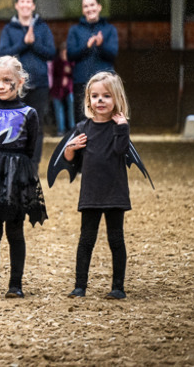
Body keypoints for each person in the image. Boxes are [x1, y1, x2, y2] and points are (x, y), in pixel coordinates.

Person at [0, 56, 48, 300]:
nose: (0, 85)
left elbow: (30, 149)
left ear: (19, 82)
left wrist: (19, 173)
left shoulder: (29, 113)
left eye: (6, 81)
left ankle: (15, 285)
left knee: (15, 232)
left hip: (16, 179)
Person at [60, 71, 134, 299]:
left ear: (117, 99)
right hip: (91, 192)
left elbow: (122, 151)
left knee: (116, 239)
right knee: (86, 239)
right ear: (88, 100)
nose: (100, 100)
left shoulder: (119, 127)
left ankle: (118, 287)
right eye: (95, 96)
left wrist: (122, 128)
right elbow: (74, 162)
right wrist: (69, 150)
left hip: (115, 192)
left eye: (106, 96)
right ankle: (80, 286)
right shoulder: (83, 128)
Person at [0, 0, 56, 132]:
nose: (25, 5)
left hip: (39, 84)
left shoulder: (43, 28)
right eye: (22, 2)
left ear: (33, 6)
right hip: (15, 85)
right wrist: (24, 43)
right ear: (16, 5)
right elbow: (2, 54)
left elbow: (51, 53)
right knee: (15, 125)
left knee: (37, 125)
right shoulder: (9, 29)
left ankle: (35, 155)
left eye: (28, 2)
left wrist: (34, 43)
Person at [67, 0, 119, 123]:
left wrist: (101, 46)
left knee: (107, 120)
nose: (89, 9)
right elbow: (70, 55)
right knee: (82, 121)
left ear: (99, 7)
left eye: (92, 5)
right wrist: (87, 47)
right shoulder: (75, 30)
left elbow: (113, 54)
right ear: (83, 10)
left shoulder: (110, 29)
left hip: (106, 83)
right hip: (82, 82)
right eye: (86, 6)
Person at [50, 43, 75, 135]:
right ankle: (61, 129)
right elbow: (53, 75)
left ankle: (72, 129)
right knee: (58, 109)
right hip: (57, 89)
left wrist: (69, 74)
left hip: (69, 89)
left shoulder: (72, 63)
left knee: (71, 108)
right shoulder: (56, 62)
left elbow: (74, 75)